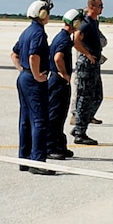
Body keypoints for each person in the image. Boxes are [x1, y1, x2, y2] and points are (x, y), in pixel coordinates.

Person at [12, 0, 56, 173]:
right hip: (33, 81)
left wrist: (24, 71)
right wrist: (37, 75)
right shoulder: (38, 33)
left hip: (24, 78)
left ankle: (24, 159)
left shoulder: (27, 31)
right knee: (39, 120)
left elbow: (14, 54)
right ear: (42, 14)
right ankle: (38, 162)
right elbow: (34, 57)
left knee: (25, 120)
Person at [70, 0, 106, 146]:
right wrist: (86, 54)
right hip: (87, 66)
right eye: (99, 6)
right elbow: (76, 39)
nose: (101, 8)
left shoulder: (94, 22)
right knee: (85, 98)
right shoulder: (86, 23)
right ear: (91, 7)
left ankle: (80, 125)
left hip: (94, 65)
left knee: (98, 96)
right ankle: (80, 132)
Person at [46, 9, 79, 159]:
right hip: (58, 82)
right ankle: (50, 147)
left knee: (60, 115)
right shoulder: (64, 39)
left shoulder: (61, 36)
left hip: (57, 80)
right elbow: (58, 57)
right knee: (55, 114)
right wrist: (64, 74)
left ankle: (59, 145)